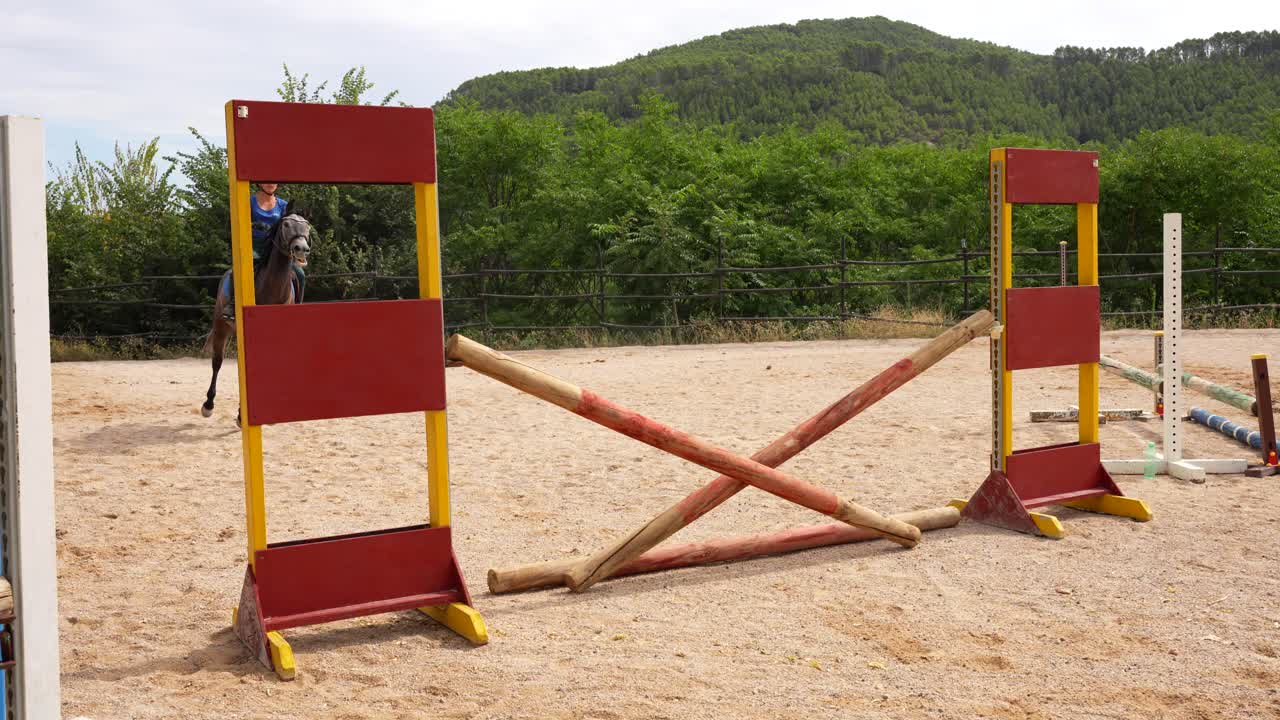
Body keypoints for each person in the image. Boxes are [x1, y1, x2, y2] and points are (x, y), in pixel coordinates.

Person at [222, 182, 305, 318]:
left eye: (273, 181)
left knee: (300, 274)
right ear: (259, 183)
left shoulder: (283, 205)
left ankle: (297, 308)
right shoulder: (249, 202)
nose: (270, 184)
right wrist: (254, 226)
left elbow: (288, 232)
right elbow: (239, 224)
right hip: (253, 246)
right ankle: (232, 305)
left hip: (274, 248)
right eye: (266, 181)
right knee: (236, 272)